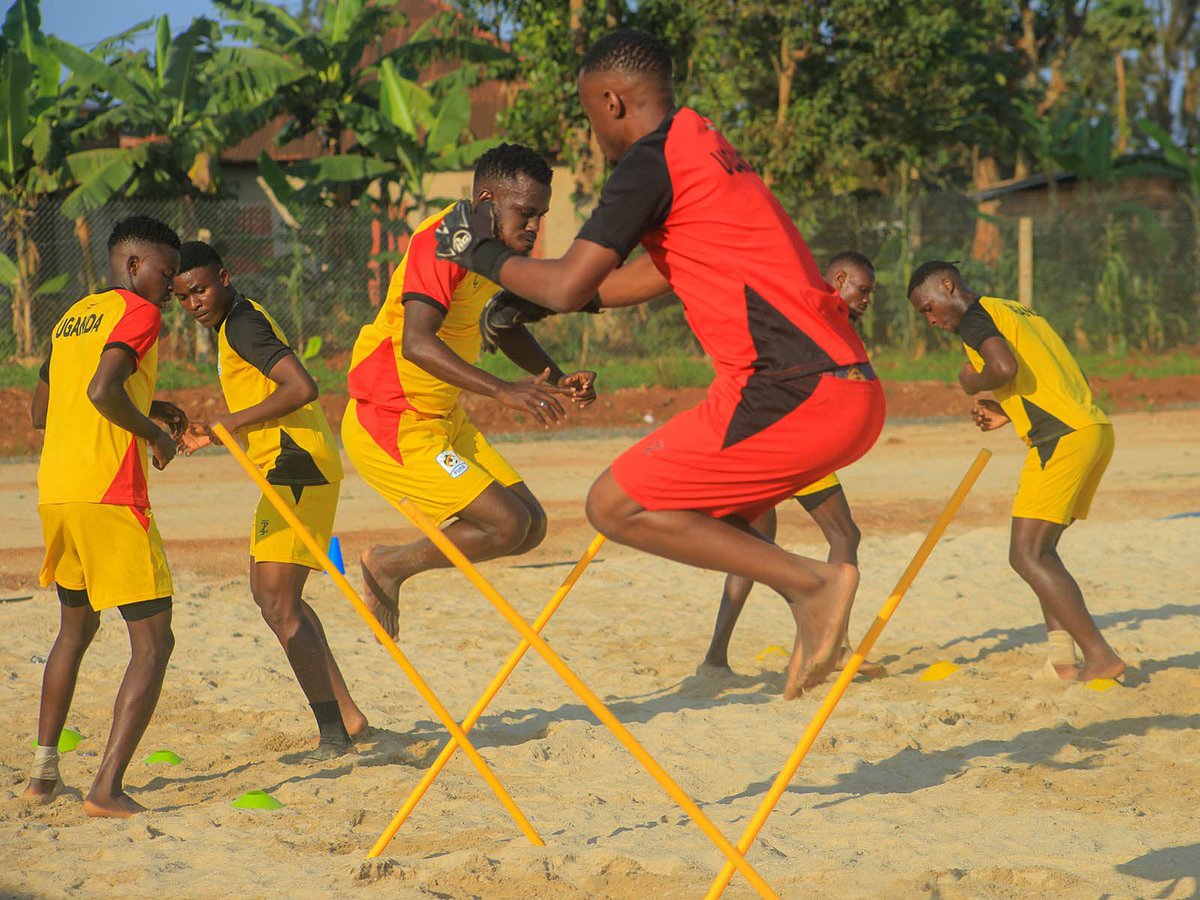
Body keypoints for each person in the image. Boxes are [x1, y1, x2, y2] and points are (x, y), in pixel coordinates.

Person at [435, 30, 886, 698]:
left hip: (790, 388)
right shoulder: (704, 144)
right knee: (713, 515)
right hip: (849, 388)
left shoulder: (648, 163)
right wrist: (547, 301)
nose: (593, 133)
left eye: (589, 114)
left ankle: (811, 585)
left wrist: (477, 253)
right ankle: (803, 595)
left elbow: (565, 283)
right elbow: (650, 276)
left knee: (613, 505)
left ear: (612, 102)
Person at [343, 143, 597, 640]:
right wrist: (502, 390)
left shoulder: (495, 252)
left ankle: (390, 563)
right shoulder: (443, 239)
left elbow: (503, 327)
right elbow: (417, 342)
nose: (534, 227)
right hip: (389, 418)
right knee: (505, 524)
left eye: (541, 216)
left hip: (442, 417)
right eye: (525, 213)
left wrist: (558, 377)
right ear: (486, 201)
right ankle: (389, 567)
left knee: (531, 525)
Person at [173, 241, 368, 759]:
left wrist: (227, 424)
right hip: (284, 468)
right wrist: (215, 431)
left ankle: (334, 736)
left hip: (298, 467)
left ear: (224, 278)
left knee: (279, 601)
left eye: (200, 290)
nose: (193, 303)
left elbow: (301, 386)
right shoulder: (233, 323)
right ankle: (348, 718)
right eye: (182, 297)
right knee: (272, 597)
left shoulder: (241, 324)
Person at [24, 215, 187, 817]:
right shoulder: (139, 313)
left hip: (57, 492)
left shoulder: (74, 316)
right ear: (134, 265)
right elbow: (101, 392)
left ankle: (42, 775)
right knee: (154, 642)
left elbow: (43, 410)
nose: (171, 285)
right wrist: (155, 436)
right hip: (110, 495)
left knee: (75, 630)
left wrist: (151, 403)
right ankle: (106, 790)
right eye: (167, 272)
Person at [907, 260, 1124, 682]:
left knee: (1026, 555)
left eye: (928, 308)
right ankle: (1062, 659)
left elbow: (1004, 368)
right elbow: (1061, 372)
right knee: (1043, 553)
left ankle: (1100, 656)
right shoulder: (1014, 309)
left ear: (947, 285)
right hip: (1091, 428)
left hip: (1061, 438)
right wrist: (1010, 409)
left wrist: (971, 382)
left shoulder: (974, 318)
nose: (931, 320)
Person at [699, 251, 885, 680]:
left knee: (755, 546)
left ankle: (714, 660)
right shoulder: (817, 317)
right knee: (844, 534)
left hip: (758, 437)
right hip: (790, 439)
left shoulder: (803, 311)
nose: (866, 300)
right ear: (839, 279)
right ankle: (834, 645)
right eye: (862, 290)